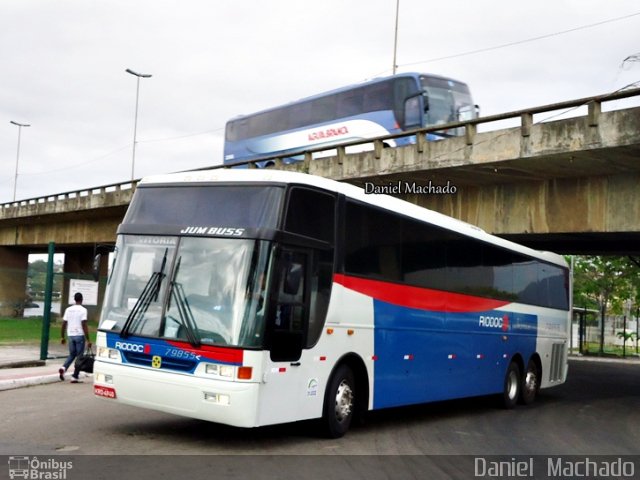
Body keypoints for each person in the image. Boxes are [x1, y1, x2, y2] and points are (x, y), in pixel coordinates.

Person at [58, 292, 91, 383]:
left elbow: (64, 323)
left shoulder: (68, 309)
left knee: (72, 354)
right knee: (79, 357)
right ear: (81, 299)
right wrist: (88, 339)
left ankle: (63, 368)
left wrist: (62, 337)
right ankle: (75, 376)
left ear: (74, 299)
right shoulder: (83, 310)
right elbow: (84, 324)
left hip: (70, 335)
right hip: (79, 335)